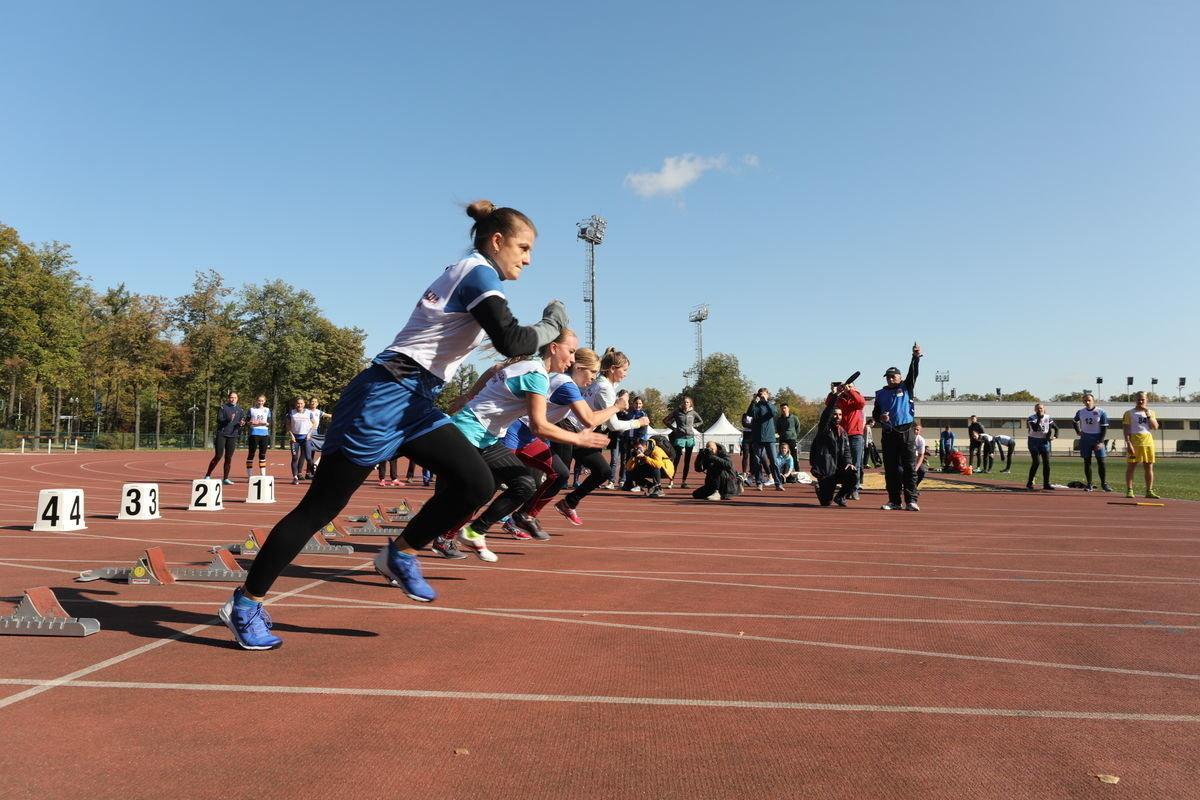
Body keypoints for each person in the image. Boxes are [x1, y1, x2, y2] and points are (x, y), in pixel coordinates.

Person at [219, 199, 570, 650]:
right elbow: (511, 340)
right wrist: (551, 325)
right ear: (496, 240)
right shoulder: (476, 273)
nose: (528, 259)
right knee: (320, 509)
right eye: (523, 248)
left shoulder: (475, 275)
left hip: (417, 401)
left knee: (476, 482)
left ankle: (399, 554)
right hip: (383, 396)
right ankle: (245, 605)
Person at [437, 330, 609, 562]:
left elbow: (496, 369)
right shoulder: (550, 378)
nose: (572, 359)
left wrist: (469, 396)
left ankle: (493, 524)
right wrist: (611, 412)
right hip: (494, 432)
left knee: (539, 479)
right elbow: (559, 423)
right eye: (570, 353)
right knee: (484, 488)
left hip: (500, 434)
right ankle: (441, 536)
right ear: (554, 349)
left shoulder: (538, 369)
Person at [500, 347, 627, 540]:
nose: (593, 376)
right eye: (592, 372)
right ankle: (470, 526)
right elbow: (592, 419)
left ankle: (521, 516)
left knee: (553, 476)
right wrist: (617, 408)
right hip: (525, 431)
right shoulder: (568, 383)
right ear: (578, 367)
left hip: (540, 434)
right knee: (505, 484)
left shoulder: (576, 384)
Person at [554, 348, 649, 525]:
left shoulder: (602, 382)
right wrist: (638, 423)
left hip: (581, 433)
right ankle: (521, 512)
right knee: (557, 477)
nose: (626, 374)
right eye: (625, 370)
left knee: (602, 471)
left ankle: (569, 502)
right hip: (568, 429)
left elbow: (606, 396)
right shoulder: (605, 388)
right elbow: (615, 425)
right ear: (613, 368)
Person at [872, 342, 922, 511]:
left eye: (893, 376)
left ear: (900, 378)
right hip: (889, 433)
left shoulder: (906, 387)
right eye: (887, 376)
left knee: (909, 468)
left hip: (906, 431)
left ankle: (911, 500)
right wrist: (880, 417)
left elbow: (913, 374)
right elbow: (874, 415)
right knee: (891, 469)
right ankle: (894, 500)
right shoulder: (880, 394)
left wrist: (915, 358)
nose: (890, 378)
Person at [809, 395, 856, 507]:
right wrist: (835, 396)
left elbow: (847, 450)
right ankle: (821, 489)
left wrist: (849, 463)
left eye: (840, 414)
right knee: (826, 503)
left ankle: (840, 497)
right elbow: (826, 415)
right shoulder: (824, 429)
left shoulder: (843, 431)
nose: (837, 416)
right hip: (827, 470)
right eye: (835, 414)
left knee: (854, 474)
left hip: (839, 469)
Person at [826, 382, 866, 500]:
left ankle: (854, 489)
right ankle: (845, 488)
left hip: (856, 435)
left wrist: (850, 391)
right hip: (842, 435)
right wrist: (834, 392)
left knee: (856, 465)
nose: (848, 388)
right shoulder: (840, 399)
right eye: (846, 386)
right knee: (842, 463)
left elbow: (861, 403)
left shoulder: (856, 398)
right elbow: (829, 404)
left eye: (851, 386)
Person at [1123, 391, 1160, 499]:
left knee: (1149, 467)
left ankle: (1149, 491)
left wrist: (1148, 415)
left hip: (1148, 442)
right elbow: (1126, 429)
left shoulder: (1151, 412)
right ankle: (1129, 490)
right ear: (1135, 400)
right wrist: (1128, 443)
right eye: (1138, 399)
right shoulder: (1129, 413)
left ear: (1146, 400)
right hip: (1135, 442)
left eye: (1142, 399)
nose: (1140, 401)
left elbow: (1155, 427)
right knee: (1131, 466)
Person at [1073, 392, 1112, 492]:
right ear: (1083, 401)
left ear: (1093, 401)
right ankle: (1089, 484)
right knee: (1087, 462)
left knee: (1101, 461)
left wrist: (1101, 441)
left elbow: (1104, 428)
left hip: (1098, 438)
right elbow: (1074, 421)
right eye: (1085, 400)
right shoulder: (1080, 412)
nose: (1087, 402)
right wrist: (1078, 431)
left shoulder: (1101, 412)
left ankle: (1104, 483)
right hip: (1085, 438)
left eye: (1089, 400)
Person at [205, 391, 246, 485]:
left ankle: (226, 478)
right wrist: (228, 419)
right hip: (222, 434)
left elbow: (241, 422)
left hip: (233, 435)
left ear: (237, 399)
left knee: (228, 458)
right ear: (228, 398)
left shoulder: (240, 410)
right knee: (218, 456)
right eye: (231, 397)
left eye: (235, 397)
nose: (233, 399)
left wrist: (241, 424)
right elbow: (219, 420)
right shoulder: (223, 407)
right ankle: (207, 475)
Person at [747, 388, 784, 491]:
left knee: (774, 461)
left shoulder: (771, 405)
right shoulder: (756, 406)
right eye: (760, 394)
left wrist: (766, 401)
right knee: (757, 461)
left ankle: (778, 483)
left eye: (763, 394)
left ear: (767, 395)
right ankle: (759, 482)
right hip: (757, 437)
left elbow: (773, 413)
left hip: (769, 437)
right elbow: (749, 414)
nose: (761, 395)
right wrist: (754, 400)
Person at [664, 396, 704, 489]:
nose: (686, 404)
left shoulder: (693, 413)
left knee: (687, 461)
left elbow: (701, 421)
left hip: (690, 438)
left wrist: (693, 425)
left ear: (690, 404)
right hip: (680, 438)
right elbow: (665, 420)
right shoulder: (677, 412)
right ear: (682, 403)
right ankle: (671, 481)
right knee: (676, 460)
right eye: (684, 402)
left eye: (687, 402)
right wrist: (674, 429)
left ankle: (684, 482)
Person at [618, 396, 650, 491]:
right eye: (636, 403)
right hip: (629, 441)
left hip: (639, 442)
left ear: (642, 404)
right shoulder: (630, 414)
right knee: (628, 462)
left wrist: (637, 441)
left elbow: (643, 430)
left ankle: (639, 484)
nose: (638, 405)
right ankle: (628, 483)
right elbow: (625, 426)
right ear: (633, 404)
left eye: (640, 403)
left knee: (638, 462)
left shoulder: (643, 415)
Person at [1025, 402, 1059, 490]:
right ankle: (1029, 482)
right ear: (1035, 410)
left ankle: (1046, 484)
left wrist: (1054, 436)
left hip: (1044, 441)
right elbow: (1035, 428)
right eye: (1037, 408)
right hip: (1033, 441)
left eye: (1041, 408)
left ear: (1044, 409)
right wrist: (1040, 418)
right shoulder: (1031, 418)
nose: (1039, 410)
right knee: (1036, 462)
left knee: (1047, 463)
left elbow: (1056, 428)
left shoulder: (1048, 418)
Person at [286, 397, 314, 485]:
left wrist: (309, 434)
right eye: (298, 403)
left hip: (306, 439)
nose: (299, 405)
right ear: (295, 404)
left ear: (304, 404)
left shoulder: (309, 413)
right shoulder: (291, 413)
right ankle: (295, 477)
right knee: (295, 458)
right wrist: (291, 435)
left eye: (301, 403)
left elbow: (314, 423)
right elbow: (288, 425)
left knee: (309, 458)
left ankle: (314, 474)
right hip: (295, 440)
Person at [244, 395, 271, 478]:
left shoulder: (267, 410)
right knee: (251, 454)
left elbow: (269, 422)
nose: (260, 402)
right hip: (254, 433)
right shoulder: (251, 410)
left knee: (262, 454)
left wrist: (265, 423)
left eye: (262, 401)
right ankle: (249, 476)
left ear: (264, 401)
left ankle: (263, 475)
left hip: (264, 434)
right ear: (256, 401)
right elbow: (247, 421)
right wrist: (251, 422)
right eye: (259, 400)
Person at [775, 402, 802, 482]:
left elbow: (798, 428)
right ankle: (782, 472)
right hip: (783, 439)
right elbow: (778, 429)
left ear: (788, 409)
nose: (783, 410)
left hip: (792, 439)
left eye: (785, 408)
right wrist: (782, 435)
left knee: (794, 456)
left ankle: (797, 473)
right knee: (782, 456)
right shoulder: (779, 419)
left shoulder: (794, 418)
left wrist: (794, 435)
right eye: (782, 408)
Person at [306, 397, 332, 477]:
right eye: (312, 401)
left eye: (315, 402)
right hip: (307, 431)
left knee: (312, 453)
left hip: (315, 432)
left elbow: (329, 415)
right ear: (309, 403)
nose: (313, 403)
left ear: (317, 404)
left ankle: (309, 472)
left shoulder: (319, 412)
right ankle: (304, 472)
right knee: (307, 454)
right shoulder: (306, 411)